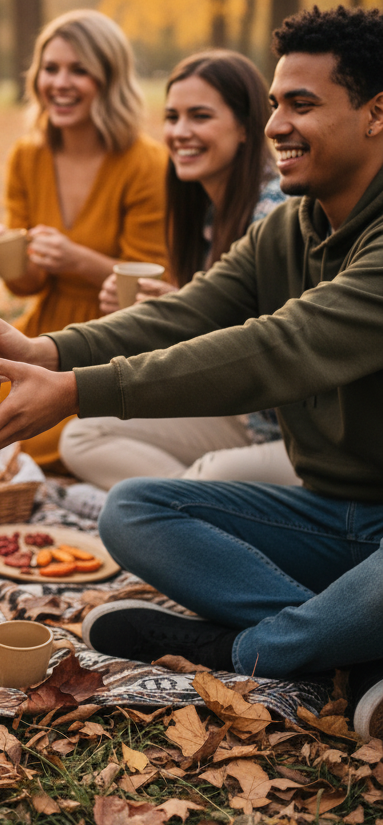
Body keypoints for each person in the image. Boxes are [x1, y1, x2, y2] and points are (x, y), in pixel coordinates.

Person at [0, 5, 383, 740]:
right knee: (133, 510)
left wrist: (76, 394)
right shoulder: (285, 229)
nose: (277, 124)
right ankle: (347, 638)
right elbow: (182, 314)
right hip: (328, 515)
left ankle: (246, 648)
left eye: (302, 105)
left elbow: (281, 345)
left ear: (377, 114)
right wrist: (45, 354)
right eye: (276, 103)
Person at [59, 50, 297, 497]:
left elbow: (269, 349)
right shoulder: (209, 215)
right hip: (243, 418)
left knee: (213, 474)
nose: (180, 132)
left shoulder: (273, 211)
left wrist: (176, 315)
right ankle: (169, 505)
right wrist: (168, 308)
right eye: (172, 117)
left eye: (200, 116)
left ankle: (159, 506)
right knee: (83, 433)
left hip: (296, 437)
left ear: (246, 127)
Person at [0, 10, 168, 468]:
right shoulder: (27, 156)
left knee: (53, 442)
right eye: (51, 68)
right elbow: (28, 285)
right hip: (46, 330)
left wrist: (77, 260)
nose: (60, 83)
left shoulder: (145, 162)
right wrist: (11, 260)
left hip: (117, 335)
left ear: (109, 80)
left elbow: (150, 287)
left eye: (79, 70)